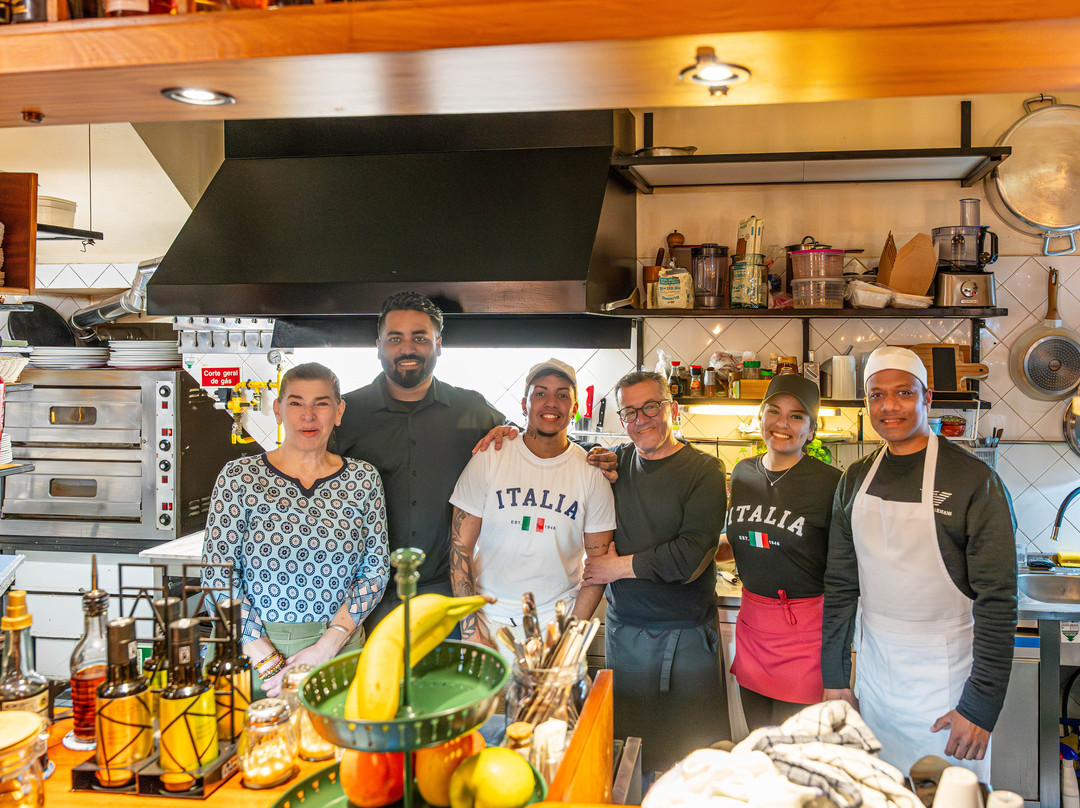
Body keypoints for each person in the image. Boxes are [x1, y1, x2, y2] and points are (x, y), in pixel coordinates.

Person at [821, 346, 1017, 779]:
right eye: (876, 395)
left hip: (947, 688)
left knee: (948, 797)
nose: (889, 406)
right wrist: (835, 678)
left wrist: (980, 706)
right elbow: (840, 585)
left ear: (927, 398)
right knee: (881, 793)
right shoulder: (855, 479)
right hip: (874, 681)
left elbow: (998, 600)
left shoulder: (974, 480)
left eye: (904, 393)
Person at [202, 362, 390, 698]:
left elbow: (375, 571)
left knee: (336, 732)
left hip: (338, 648)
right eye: (296, 402)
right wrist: (263, 655)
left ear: (339, 411)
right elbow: (217, 571)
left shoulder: (363, 479)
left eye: (321, 403)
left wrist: (328, 645)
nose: (308, 415)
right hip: (251, 652)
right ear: (278, 410)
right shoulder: (240, 477)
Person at [582, 370, 729, 774]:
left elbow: (689, 558)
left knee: (695, 759)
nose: (641, 419)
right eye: (630, 412)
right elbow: (560, 452)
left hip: (688, 635)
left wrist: (615, 567)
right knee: (631, 757)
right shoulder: (615, 464)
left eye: (651, 407)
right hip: (626, 632)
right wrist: (506, 432)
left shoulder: (705, 470)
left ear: (672, 409)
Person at [335, 292, 508, 629]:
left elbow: (525, 447)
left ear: (438, 344)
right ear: (378, 346)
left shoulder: (470, 409)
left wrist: (592, 458)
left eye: (420, 338)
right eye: (395, 339)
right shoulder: (346, 414)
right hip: (362, 600)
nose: (407, 349)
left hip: (447, 595)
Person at [449, 359, 616, 645]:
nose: (551, 402)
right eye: (540, 393)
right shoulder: (490, 457)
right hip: (488, 622)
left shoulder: (592, 473)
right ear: (524, 405)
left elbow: (598, 565)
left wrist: (568, 641)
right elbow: (460, 546)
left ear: (574, 408)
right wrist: (471, 631)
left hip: (555, 627)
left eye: (562, 394)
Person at [725, 373, 842, 730]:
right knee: (758, 743)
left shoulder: (830, 483)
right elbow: (744, 538)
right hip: (752, 629)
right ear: (760, 417)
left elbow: (843, 569)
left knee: (795, 752)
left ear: (811, 428)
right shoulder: (742, 473)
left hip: (806, 639)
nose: (782, 424)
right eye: (773, 411)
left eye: (796, 416)